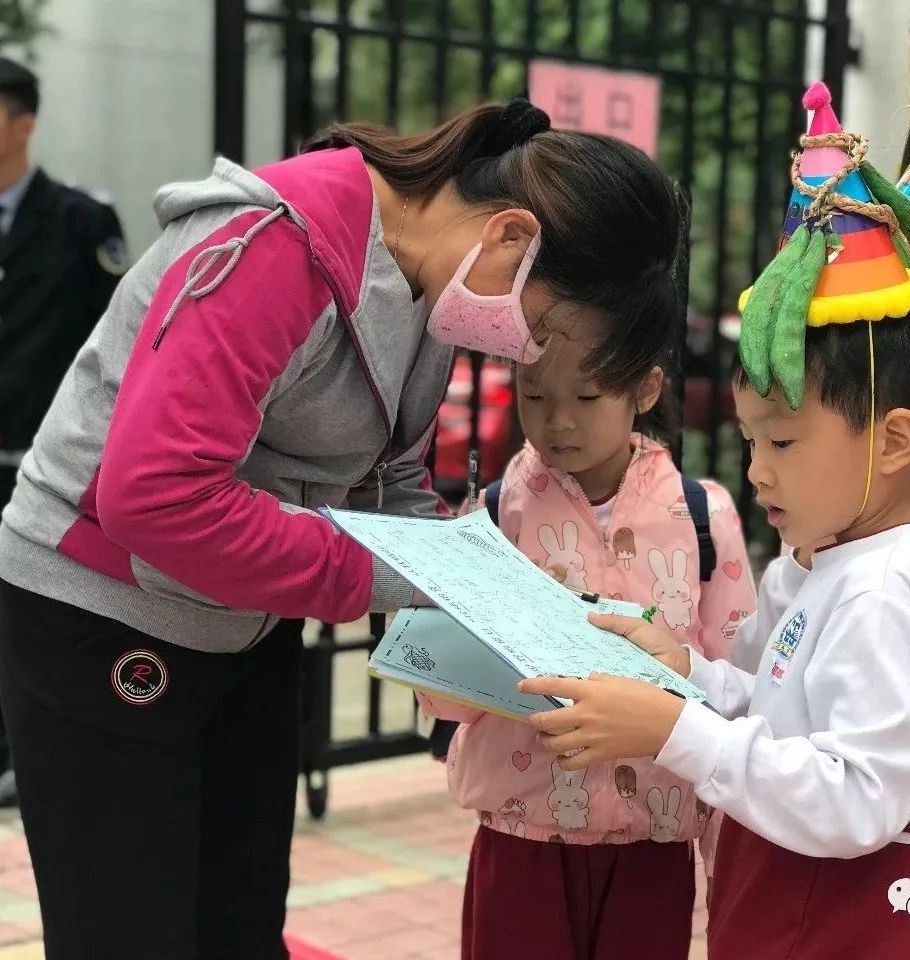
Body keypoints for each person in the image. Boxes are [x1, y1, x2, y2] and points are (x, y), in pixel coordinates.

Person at [0, 97, 689, 959]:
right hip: (103, 612)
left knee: (241, 918)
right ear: (512, 239)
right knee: (131, 929)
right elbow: (156, 495)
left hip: (244, 615)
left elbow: (389, 473)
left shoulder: (429, 283)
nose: (521, 349)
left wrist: (489, 584)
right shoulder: (276, 248)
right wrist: (393, 572)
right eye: (541, 327)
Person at [521, 84, 910, 960]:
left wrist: (673, 733)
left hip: (836, 927)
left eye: (785, 442)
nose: (756, 470)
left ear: (897, 438)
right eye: (751, 439)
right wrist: (687, 674)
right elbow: (786, 711)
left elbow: (854, 796)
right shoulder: (845, 553)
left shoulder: (881, 585)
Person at [419, 330, 756, 959]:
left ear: (644, 390)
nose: (558, 420)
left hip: (652, 841)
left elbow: (733, 689)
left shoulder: (702, 518)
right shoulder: (492, 518)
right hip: (522, 835)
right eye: (535, 395)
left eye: (587, 395)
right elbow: (442, 698)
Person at [0, 57, 127, 808]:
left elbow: (118, 336)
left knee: (32, 612)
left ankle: (27, 750)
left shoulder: (81, 221)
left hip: (42, 459)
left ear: (23, 123)